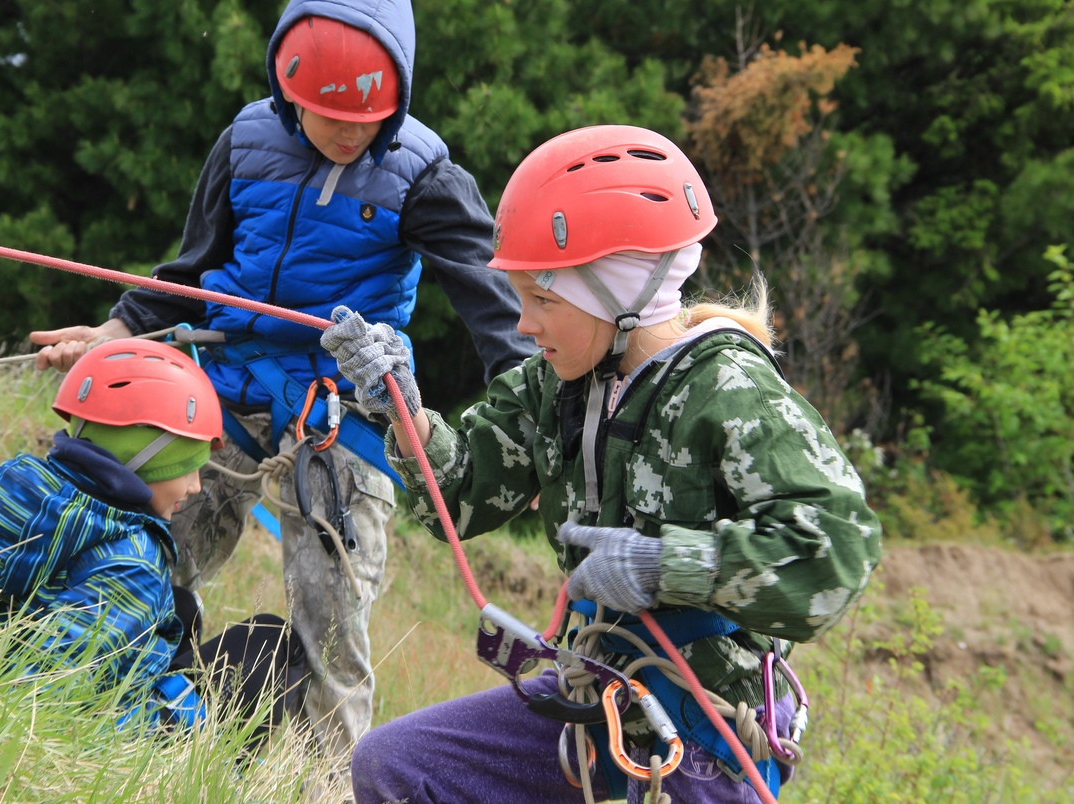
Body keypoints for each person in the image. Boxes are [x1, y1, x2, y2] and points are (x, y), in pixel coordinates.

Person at [27, 0, 534, 763]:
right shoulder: (247, 138)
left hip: (340, 412)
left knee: (330, 622)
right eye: (320, 111)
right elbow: (192, 273)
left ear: (396, 98)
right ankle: (93, 717)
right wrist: (118, 333)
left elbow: (497, 315)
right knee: (147, 552)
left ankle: (333, 778)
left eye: (360, 118)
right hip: (220, 387)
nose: (339, 131)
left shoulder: (425, 175)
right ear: (286, 87)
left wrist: (537, 417)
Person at [322, 124, 883, 803]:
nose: (523, 324)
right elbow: (461, 493)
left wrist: (664, 564)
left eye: (544, 301)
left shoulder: (729, 390)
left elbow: (839, 550)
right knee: (398, 766)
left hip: (705, 730)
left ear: (619, 295)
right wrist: (402, 413)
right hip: (594, 700)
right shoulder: (551, 385)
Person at [0, 338, 304, 748]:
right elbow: (47, 693)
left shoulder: (8, 487)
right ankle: (213, 761)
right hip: (102, 733)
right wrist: (176, 716)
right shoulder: (134, 567)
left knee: (182, 608)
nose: (197, 487)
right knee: (270, 642)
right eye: (189, 467)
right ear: (148, 458)